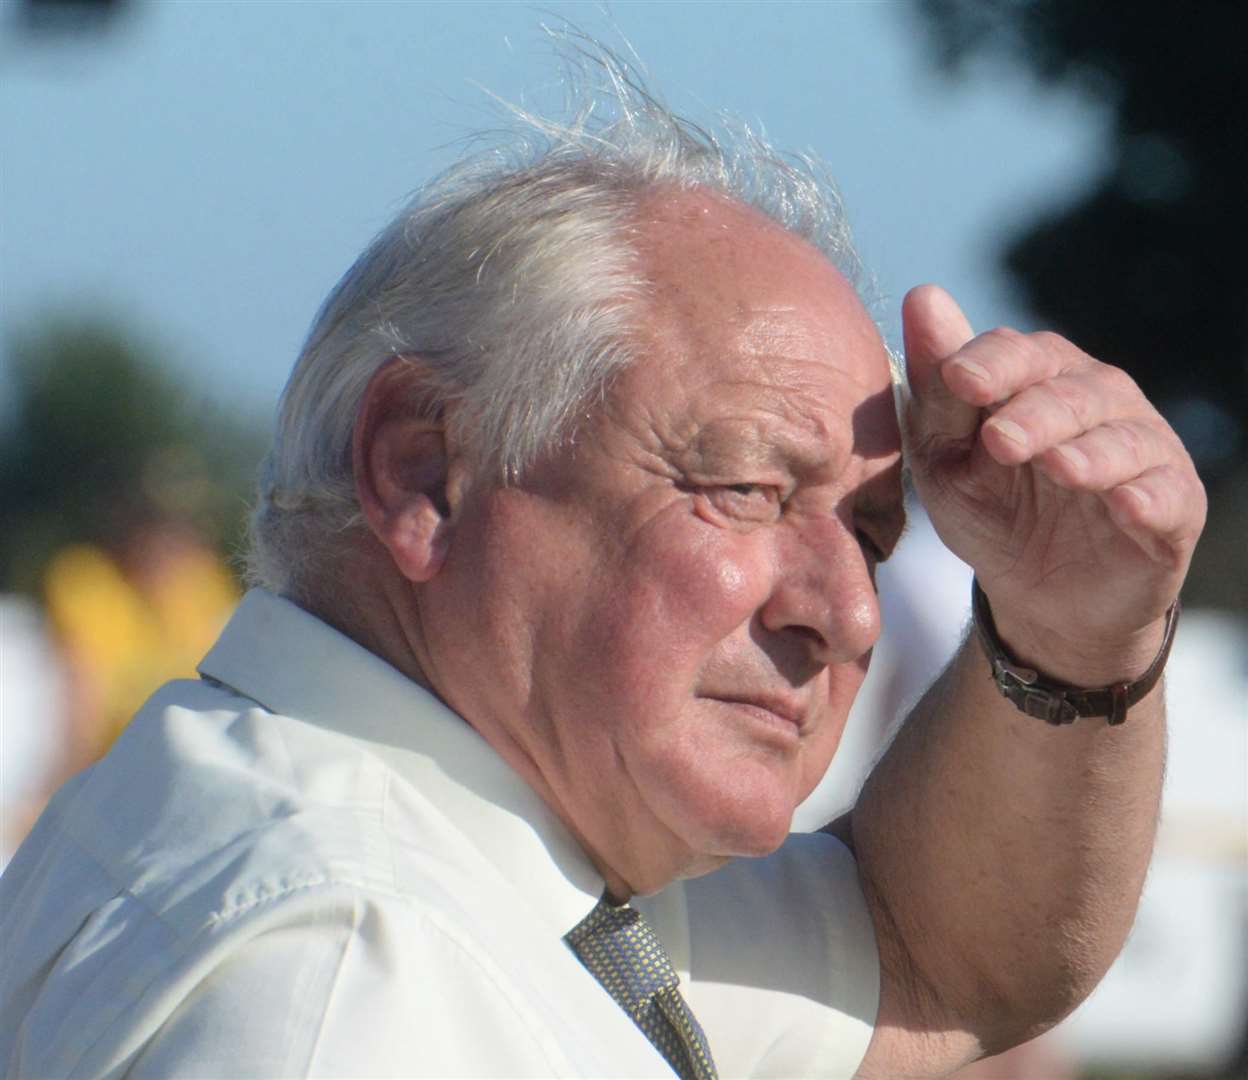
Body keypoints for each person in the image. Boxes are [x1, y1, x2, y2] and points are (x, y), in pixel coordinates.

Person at [0, 52, 1204, 1079]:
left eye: (874, 535)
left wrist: (1079, 630)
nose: (845, 611)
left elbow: (939, 953)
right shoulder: (353, 977)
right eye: (745, 492)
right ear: (426, 474)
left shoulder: (440, 845)